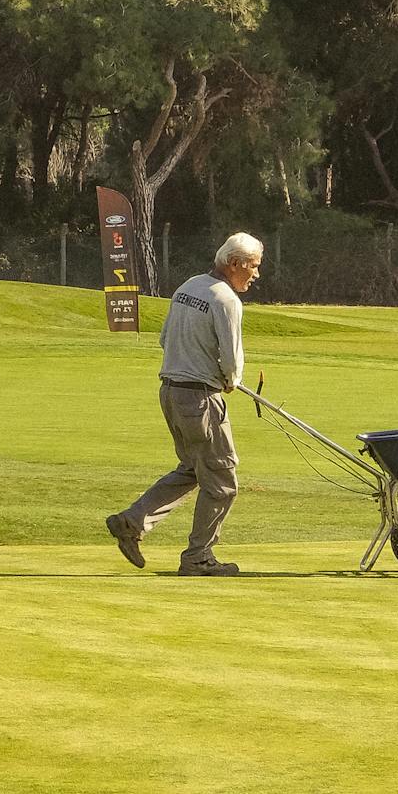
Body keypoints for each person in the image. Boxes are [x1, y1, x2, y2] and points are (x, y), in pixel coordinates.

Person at [106, 232, 263, 576]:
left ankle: (132, 522)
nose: (255, 273)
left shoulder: (189, 286)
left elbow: (165, 338)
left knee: (193, 469)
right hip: (201, 399)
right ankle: (199, 558)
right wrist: (230, 381)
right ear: (235, 263)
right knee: (222, 483)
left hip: (171, 392)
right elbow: (232, 361)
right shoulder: (227, 300)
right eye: (253, 266)